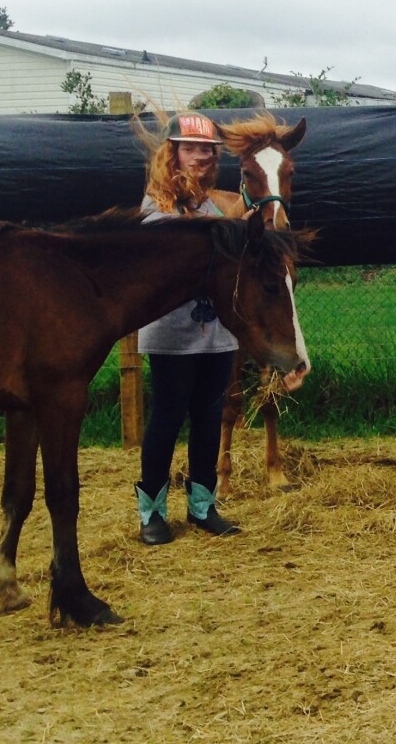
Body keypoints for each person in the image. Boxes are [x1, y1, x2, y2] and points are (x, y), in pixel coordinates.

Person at [131, 112, 243, 545]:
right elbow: (173, 251)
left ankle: (202, 507)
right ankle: (152, 514)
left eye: (207, 150)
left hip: (216, 334)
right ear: (173, 153)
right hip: (172, 335)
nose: (200, 156)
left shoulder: (212, 205)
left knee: (209, 418)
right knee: (167, 418)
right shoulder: (155, 205)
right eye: (191, 148)